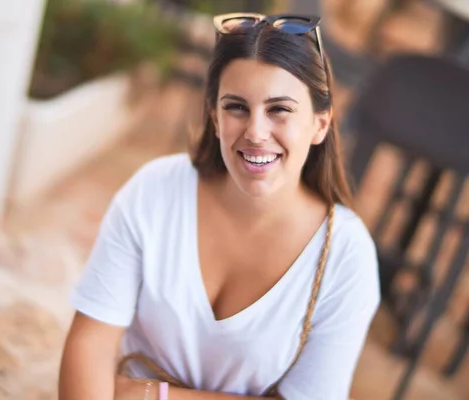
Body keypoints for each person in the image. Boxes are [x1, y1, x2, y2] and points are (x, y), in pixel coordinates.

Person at [59, 12, 380, 400]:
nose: (256, 132)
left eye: (279, 109)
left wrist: (153, 395)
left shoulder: (347, 257)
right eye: (236, 107)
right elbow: (91, 342)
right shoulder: (155, 190)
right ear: (214, 116)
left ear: (320, 124)